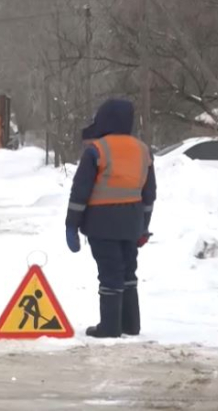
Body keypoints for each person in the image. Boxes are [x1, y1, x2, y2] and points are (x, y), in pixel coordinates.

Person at [65, 98, 157, 338]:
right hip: (132, 222)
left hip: (101, 223)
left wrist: (71, 225)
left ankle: (110, 327)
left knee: (110, 272)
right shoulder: (142, 150)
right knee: (128, 271)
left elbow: (80, 190)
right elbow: (149, 194)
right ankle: (131, 324)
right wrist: (144, 227)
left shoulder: (97, 149)